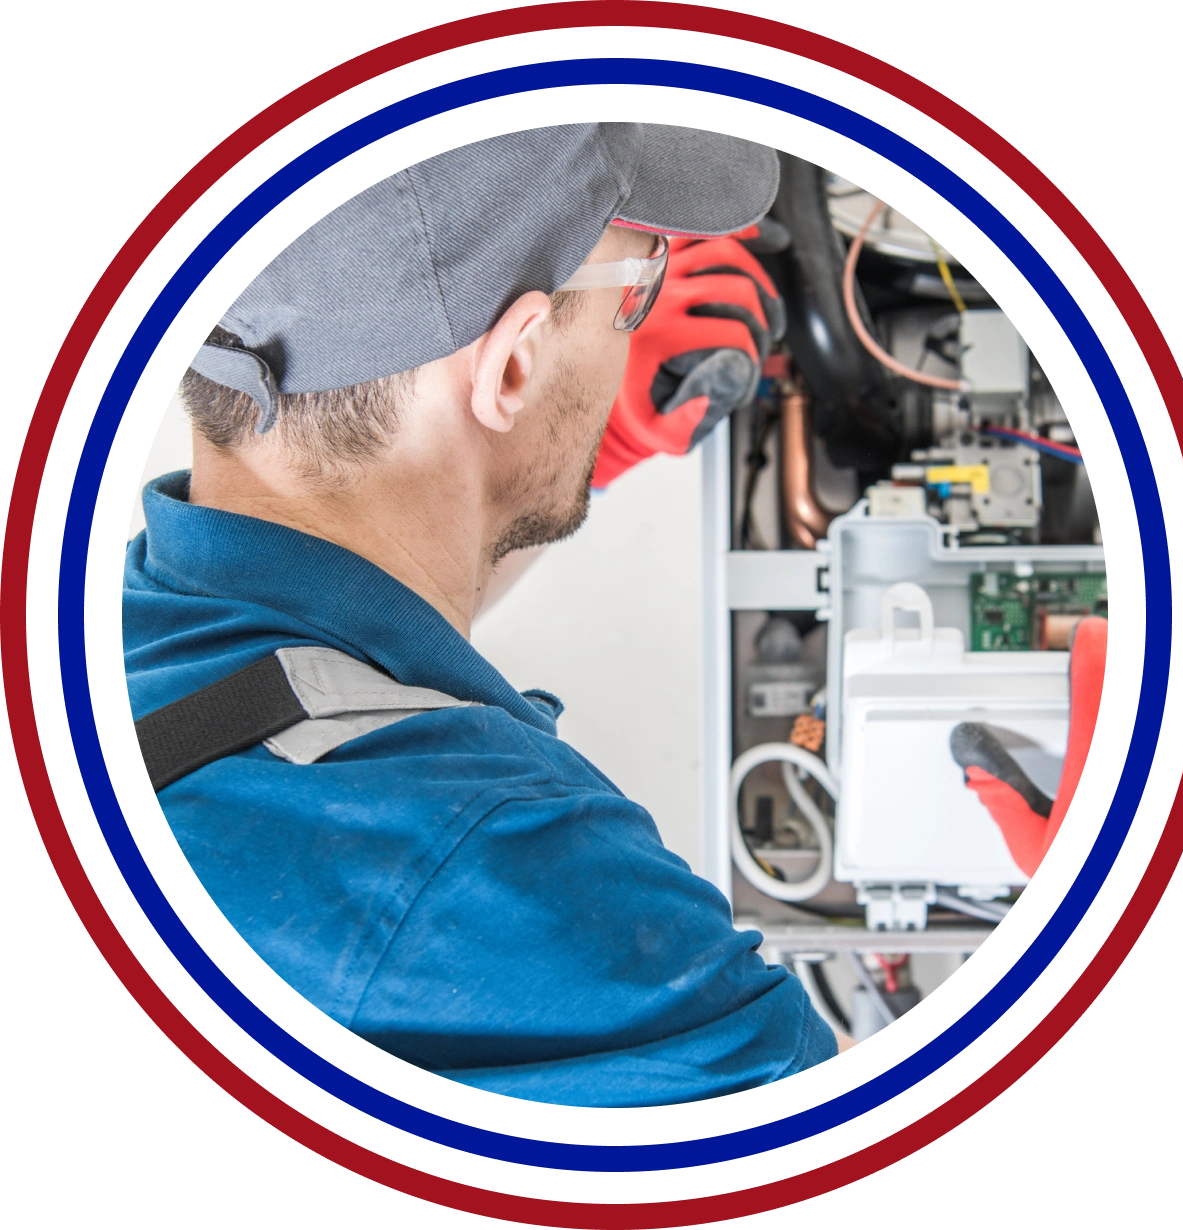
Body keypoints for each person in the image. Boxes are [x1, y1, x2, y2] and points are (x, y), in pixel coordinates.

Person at [121, 121, 851, 1110]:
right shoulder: (491, 862)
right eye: (638, 287)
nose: (638, 322)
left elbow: (350, 659)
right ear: (512, 367)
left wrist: (578, 447)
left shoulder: (144, 631)